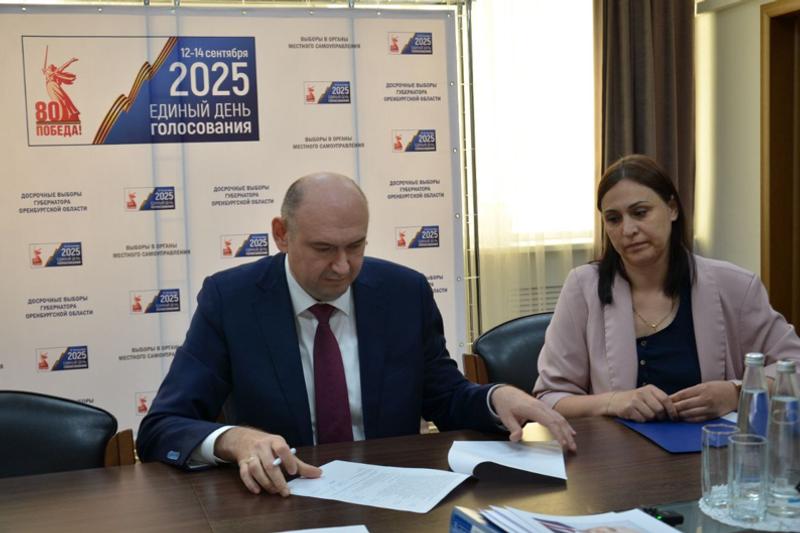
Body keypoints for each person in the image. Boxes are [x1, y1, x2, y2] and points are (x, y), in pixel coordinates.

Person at [137, 172, 576, 497]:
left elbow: (445, 398)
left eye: (356, 246)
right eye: (324, 248)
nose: (343, 266)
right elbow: (161, 427)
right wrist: (235, 440)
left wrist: (495, 398)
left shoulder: (403, 293)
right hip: (281, 499)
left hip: (393, 497)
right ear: (281, 235)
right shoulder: (231, 300)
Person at [533, 154, 800, 423]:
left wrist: (736, 392)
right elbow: (550, 397)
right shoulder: (583, 288)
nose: (628, 230)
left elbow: (794, 368)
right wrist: (614, 402)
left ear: (672, 209)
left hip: (711, 444)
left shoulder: (735, 286)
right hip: (617, 449)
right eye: (613, 219)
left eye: (640, 213)